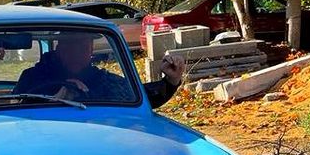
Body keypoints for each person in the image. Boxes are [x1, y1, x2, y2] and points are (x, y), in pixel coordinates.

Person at [13, 33, 183, 103]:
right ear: (59, 48)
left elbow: (139, 98)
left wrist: (170, 80)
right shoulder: (33, 78)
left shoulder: (105, 81)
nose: (76, 53)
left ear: (91, 51)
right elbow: (15, 114)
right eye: (70, 46)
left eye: (82, 47)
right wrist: (54, 99)